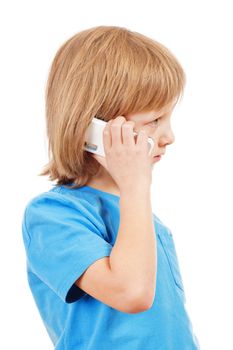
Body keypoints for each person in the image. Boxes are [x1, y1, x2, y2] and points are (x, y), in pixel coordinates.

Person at [21, 25, 201, 349]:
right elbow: (131, 292)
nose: (169, 136)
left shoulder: (144, 218)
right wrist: (135, 186)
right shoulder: (53, 215)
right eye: (154, 120)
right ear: (95, 128)